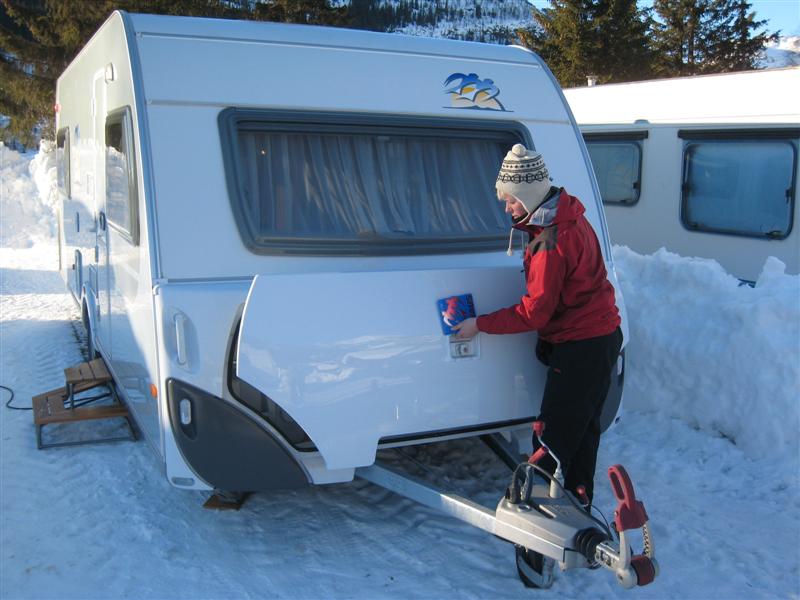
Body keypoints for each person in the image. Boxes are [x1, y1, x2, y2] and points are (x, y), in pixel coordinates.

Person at [453, 143, 622, 505]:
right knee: (582, 431)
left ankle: (537, 511)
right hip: (603, 337)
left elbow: (534, 313)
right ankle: (577, 501)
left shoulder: (550, 241)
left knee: (552, 437)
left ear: (528, 195)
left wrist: (479, 324)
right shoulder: (571, 215)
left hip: (581, 347)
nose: (507, 208)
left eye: (511, 200)